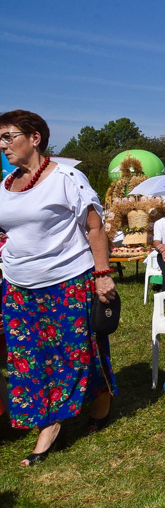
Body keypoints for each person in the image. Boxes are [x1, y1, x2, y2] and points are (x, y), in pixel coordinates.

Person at [0, 110, 118, 466]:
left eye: (8, 136)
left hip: (67, 280)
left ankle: (63, 420)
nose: (2, 145)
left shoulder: (66, 177)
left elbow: (94, 228)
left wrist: (102, 274)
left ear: (34, 138)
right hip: (18, 285)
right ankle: (66, 414)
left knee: (72, 353)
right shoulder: (4, 186)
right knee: (27, 359)